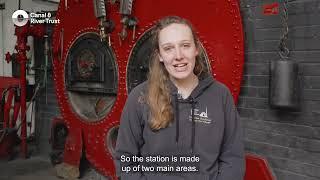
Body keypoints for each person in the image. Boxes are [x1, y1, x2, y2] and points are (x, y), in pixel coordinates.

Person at [115, 16, 245, 180]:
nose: (178, 56)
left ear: (196, 49)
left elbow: (232, 158)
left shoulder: (220, 96)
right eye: (168, 48)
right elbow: (125, 160)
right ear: (160, 55)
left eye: (185, 45)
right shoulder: (140, 97)